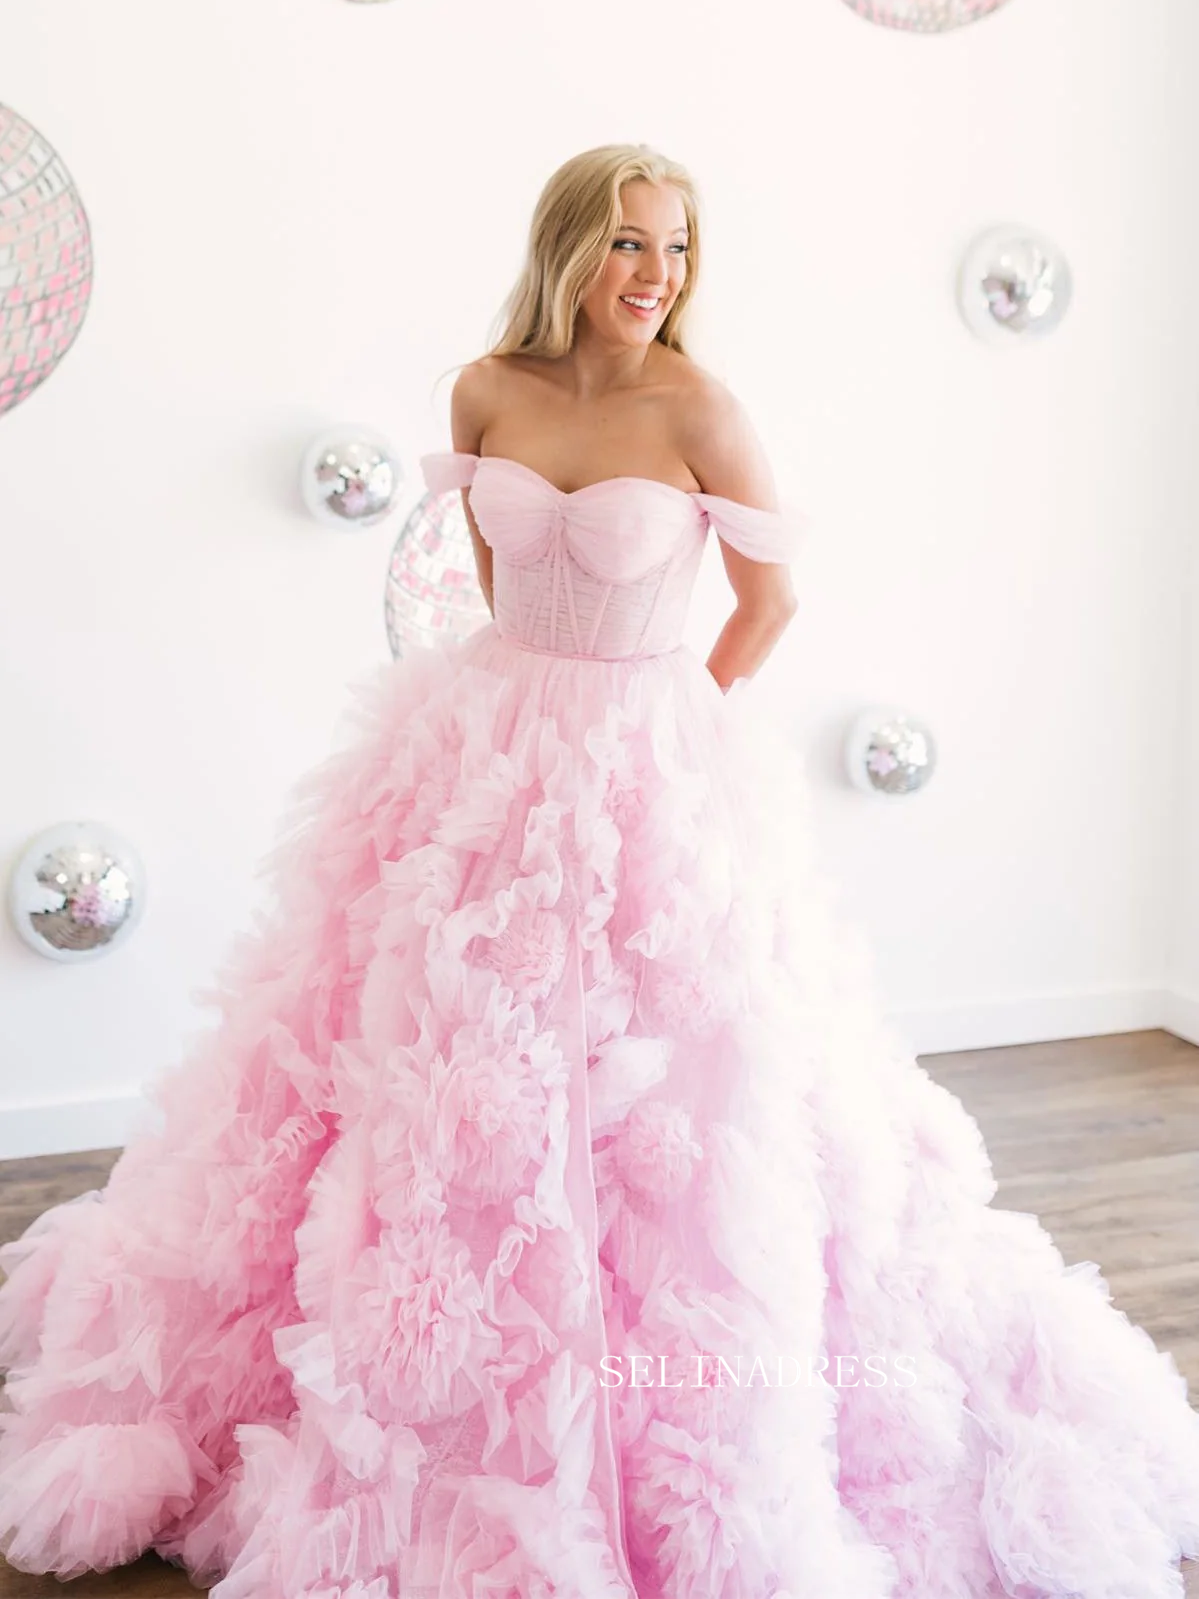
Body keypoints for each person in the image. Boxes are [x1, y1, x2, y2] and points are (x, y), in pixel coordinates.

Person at [0, 142, 1196, 1599]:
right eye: (629, 244)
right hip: (484, 745)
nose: (655, 275)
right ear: (569, 249)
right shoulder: (485, 388)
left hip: (645, 762)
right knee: (433, 1058)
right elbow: (495, 575)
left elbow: (768, 599)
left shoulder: (698, 406)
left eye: (676, 248)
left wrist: (674, 717)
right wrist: (542, 695)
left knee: (660, 1084)